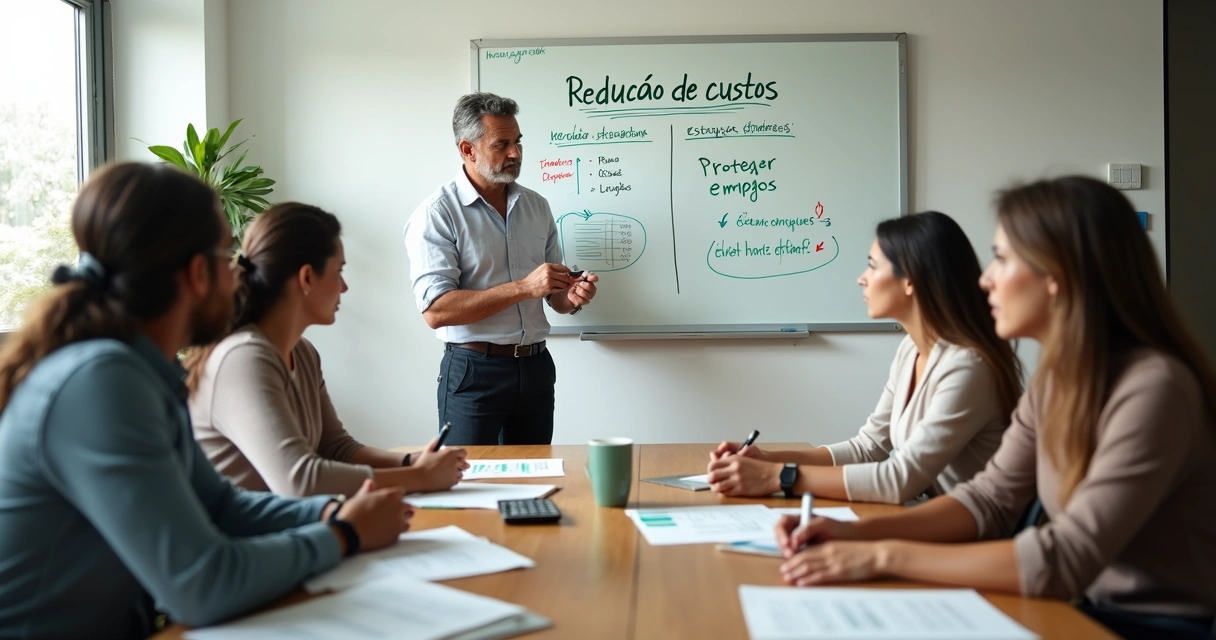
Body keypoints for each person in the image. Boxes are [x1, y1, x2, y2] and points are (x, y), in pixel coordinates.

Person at [774, 177, 1216, 640]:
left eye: (1002, 258)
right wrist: (852, 535)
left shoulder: (1155, 389)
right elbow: (989, 498)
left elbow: (1065, 558)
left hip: (1152, 626)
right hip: (1077, 609)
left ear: (1056, 277)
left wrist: (882, 554)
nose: (985, 278)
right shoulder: (1058, 380)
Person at [0, 163, 412, 639]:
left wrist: (327, 514)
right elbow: (201, 585)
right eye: (226, 254)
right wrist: (344, 535)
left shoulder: (140, 372)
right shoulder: (101, 382)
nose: (239, 272)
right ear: (198, 273)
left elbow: (220, 506)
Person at [707, 211, 1023, 504]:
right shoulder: (911, 349)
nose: (862, 278)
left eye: (872, 265)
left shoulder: (967, 367)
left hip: (978, 538)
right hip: (930, 517)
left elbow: (902, 479)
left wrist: (777, 478)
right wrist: (767, 460)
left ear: (910, 279)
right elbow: (868, 447)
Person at [185, 203, 468, 498]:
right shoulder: (243, 358)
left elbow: (336, 449)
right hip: (242, 539)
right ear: (307, 277)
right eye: (339, 271)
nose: (344, 287)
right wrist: (418, 477)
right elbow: (300, 481)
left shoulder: (303, 353)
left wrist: (413, 461)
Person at [404, 92, 598, 446]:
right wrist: (524, 287)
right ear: (467, 150)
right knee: (467, 488)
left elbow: (555, 298)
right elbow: (435, 311)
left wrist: (572, 296)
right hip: (473, 372)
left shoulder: (537, 206)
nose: (516, 153)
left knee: (534, 482)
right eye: (502, 144)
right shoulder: (437, 214)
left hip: (536, 369)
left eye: (518, 141)